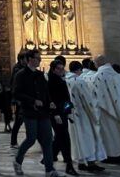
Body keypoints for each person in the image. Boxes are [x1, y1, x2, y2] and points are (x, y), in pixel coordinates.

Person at [12, 49, 65, 177]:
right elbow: (16, 93)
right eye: (37, 58)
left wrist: (50, 103)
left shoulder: (40, 75)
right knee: (31, 138)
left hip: (43, 112)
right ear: (29, 59)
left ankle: (49, 170)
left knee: (47, 140)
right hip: (29, 112)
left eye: (40, 59)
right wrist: (33, 101)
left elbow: (46, 91)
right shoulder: (20, 75)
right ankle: (18, 160)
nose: (39, 61)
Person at [84, 55, 120, 164]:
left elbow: (97, 95)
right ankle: (118, 155)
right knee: (117, 132)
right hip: (119, 109)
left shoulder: (99, 76)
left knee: (109, 134)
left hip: (105, 110)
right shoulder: (117, 75)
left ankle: (111, 155)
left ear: (97, 63)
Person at [65, 62, 106, 173]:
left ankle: (82, 162)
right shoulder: (79, 82)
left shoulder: (65, 81)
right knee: (88, 138)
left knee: (78, 139)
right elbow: (88, 100)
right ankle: (90, 162)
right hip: (83, 114)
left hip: (71, 114)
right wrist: (94, 113)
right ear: (79, 69)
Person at [47, 60, 78, 175]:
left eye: (62, 69)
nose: (61, 71)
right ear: (54, 69)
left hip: (63, 113)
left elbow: (66, 98)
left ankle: (48, 159)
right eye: (59, 69)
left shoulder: (60, 80)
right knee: (63, 139)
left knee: (62, 139)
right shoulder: (51, 82)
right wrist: (55, 114)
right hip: (57, 115)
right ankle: (69, 165)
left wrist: (68, 110)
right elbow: (51, 100)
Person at [10, 50, 28, 147]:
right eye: (26, 58)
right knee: (19, 121)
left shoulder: (22, 68)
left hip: (24, 99)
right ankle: (13, 141)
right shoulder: (18, 70)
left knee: (22, 120)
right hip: (21, 100)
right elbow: (14, 85)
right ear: (22, 59)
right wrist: (16, 99)